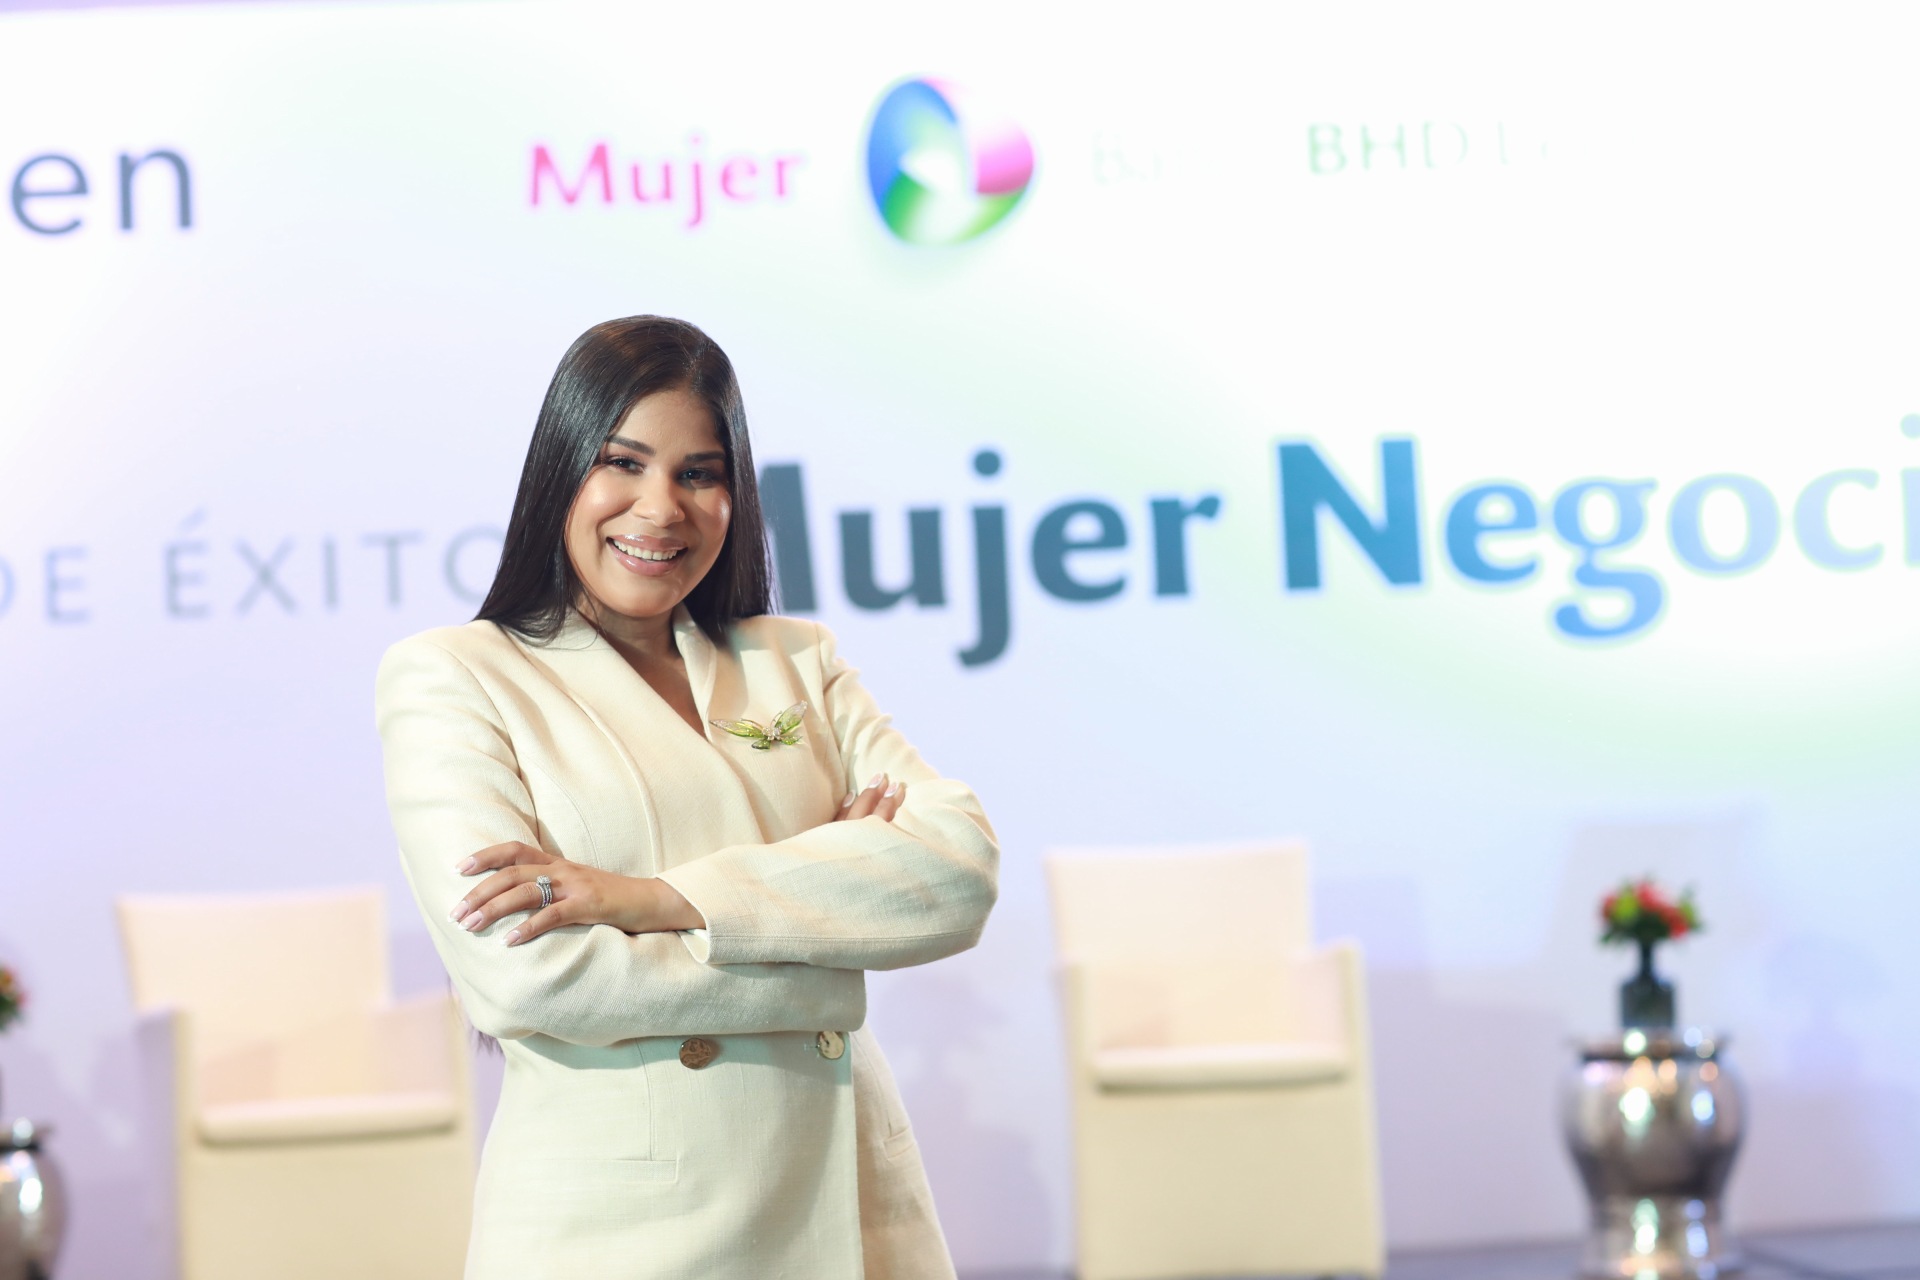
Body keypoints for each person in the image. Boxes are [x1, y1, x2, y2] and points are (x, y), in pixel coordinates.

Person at [374, 315, 999, 1279]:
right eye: (622, 463)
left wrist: (652, 900)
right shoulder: (456, 676)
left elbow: (957, 871)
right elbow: (526, 976)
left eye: (698, 473)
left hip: (850, 1213)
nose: (660, 509)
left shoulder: (794, 659)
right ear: (560, 472)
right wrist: (831, 946)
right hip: (628, 1234)